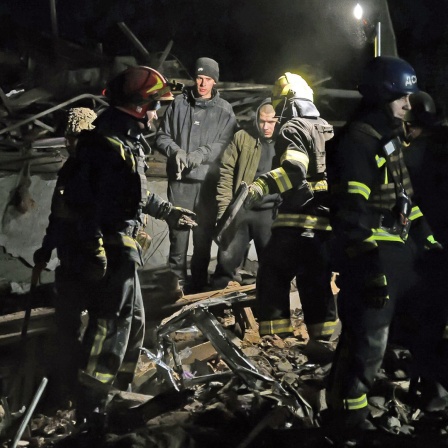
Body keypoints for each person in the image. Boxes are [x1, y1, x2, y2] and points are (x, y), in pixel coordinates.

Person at [34, 66, 197, 421]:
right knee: (110, 322)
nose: (157, 114)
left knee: (134, 319)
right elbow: (79, 203)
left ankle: (117, 390)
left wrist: (168, 212)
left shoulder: (125, 143)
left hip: (121, 248)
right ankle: (91, 401)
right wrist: (95, 249)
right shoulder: (104, 146)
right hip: (108, 249)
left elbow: (134, 195)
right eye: (154, 106)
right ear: (138, 106)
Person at [325, 56, 443, 443]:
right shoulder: (358, 141)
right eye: (402, 97)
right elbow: (352, 210)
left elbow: (407, 201)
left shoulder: (387, 141)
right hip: (374, 254)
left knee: (423, 329)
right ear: (380, 97)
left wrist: (429, 242)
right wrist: (368, 263)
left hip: (401, 251)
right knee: (366, 342)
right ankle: (348, 420)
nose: (409, 104)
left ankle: (431, 401)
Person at [244, 72, 339, 341]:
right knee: (315, 281)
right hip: (324, 222)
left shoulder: (292, 129)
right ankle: (324, 341)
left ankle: (276, 341)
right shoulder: (326, 127)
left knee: (272, 273)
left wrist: (261, 185)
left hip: (296, 220)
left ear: (287, 103)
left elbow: (294, 172)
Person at [33, 107, 97, 407]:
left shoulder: (102, 171)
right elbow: (57, 217)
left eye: (78, 137)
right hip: (70, 259)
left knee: (97, 326)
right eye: (69, 137)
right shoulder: (68, 170)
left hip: (96, 261)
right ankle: (65, 389)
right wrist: (47, 248)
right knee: (67, 326)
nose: (71, 143)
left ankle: (90, 392)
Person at [156, 57, 237, 293]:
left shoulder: (225, 110)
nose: (203, 83)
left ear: (215, 82)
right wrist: (176, 151)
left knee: (202, 239)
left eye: (208, 79)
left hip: (208, 184)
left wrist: (202, 153)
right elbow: (161, 136)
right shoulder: (178, 104)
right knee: (178, 235)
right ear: (194, 78)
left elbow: (227, 142)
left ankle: (199, 286)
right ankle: (176, 286)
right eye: (200, 78)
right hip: (180, 182)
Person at [211, 99, 280, 289]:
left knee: (272, 264)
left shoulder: (285, 142)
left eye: (271, 122)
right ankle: (221, 304)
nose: (266, 126)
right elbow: (226, 173)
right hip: (242, 207)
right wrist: (225, 212)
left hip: (270, 211)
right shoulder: (242, 138)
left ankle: (267, 308)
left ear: (278, 121)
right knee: (226, 257)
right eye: (262, 121)